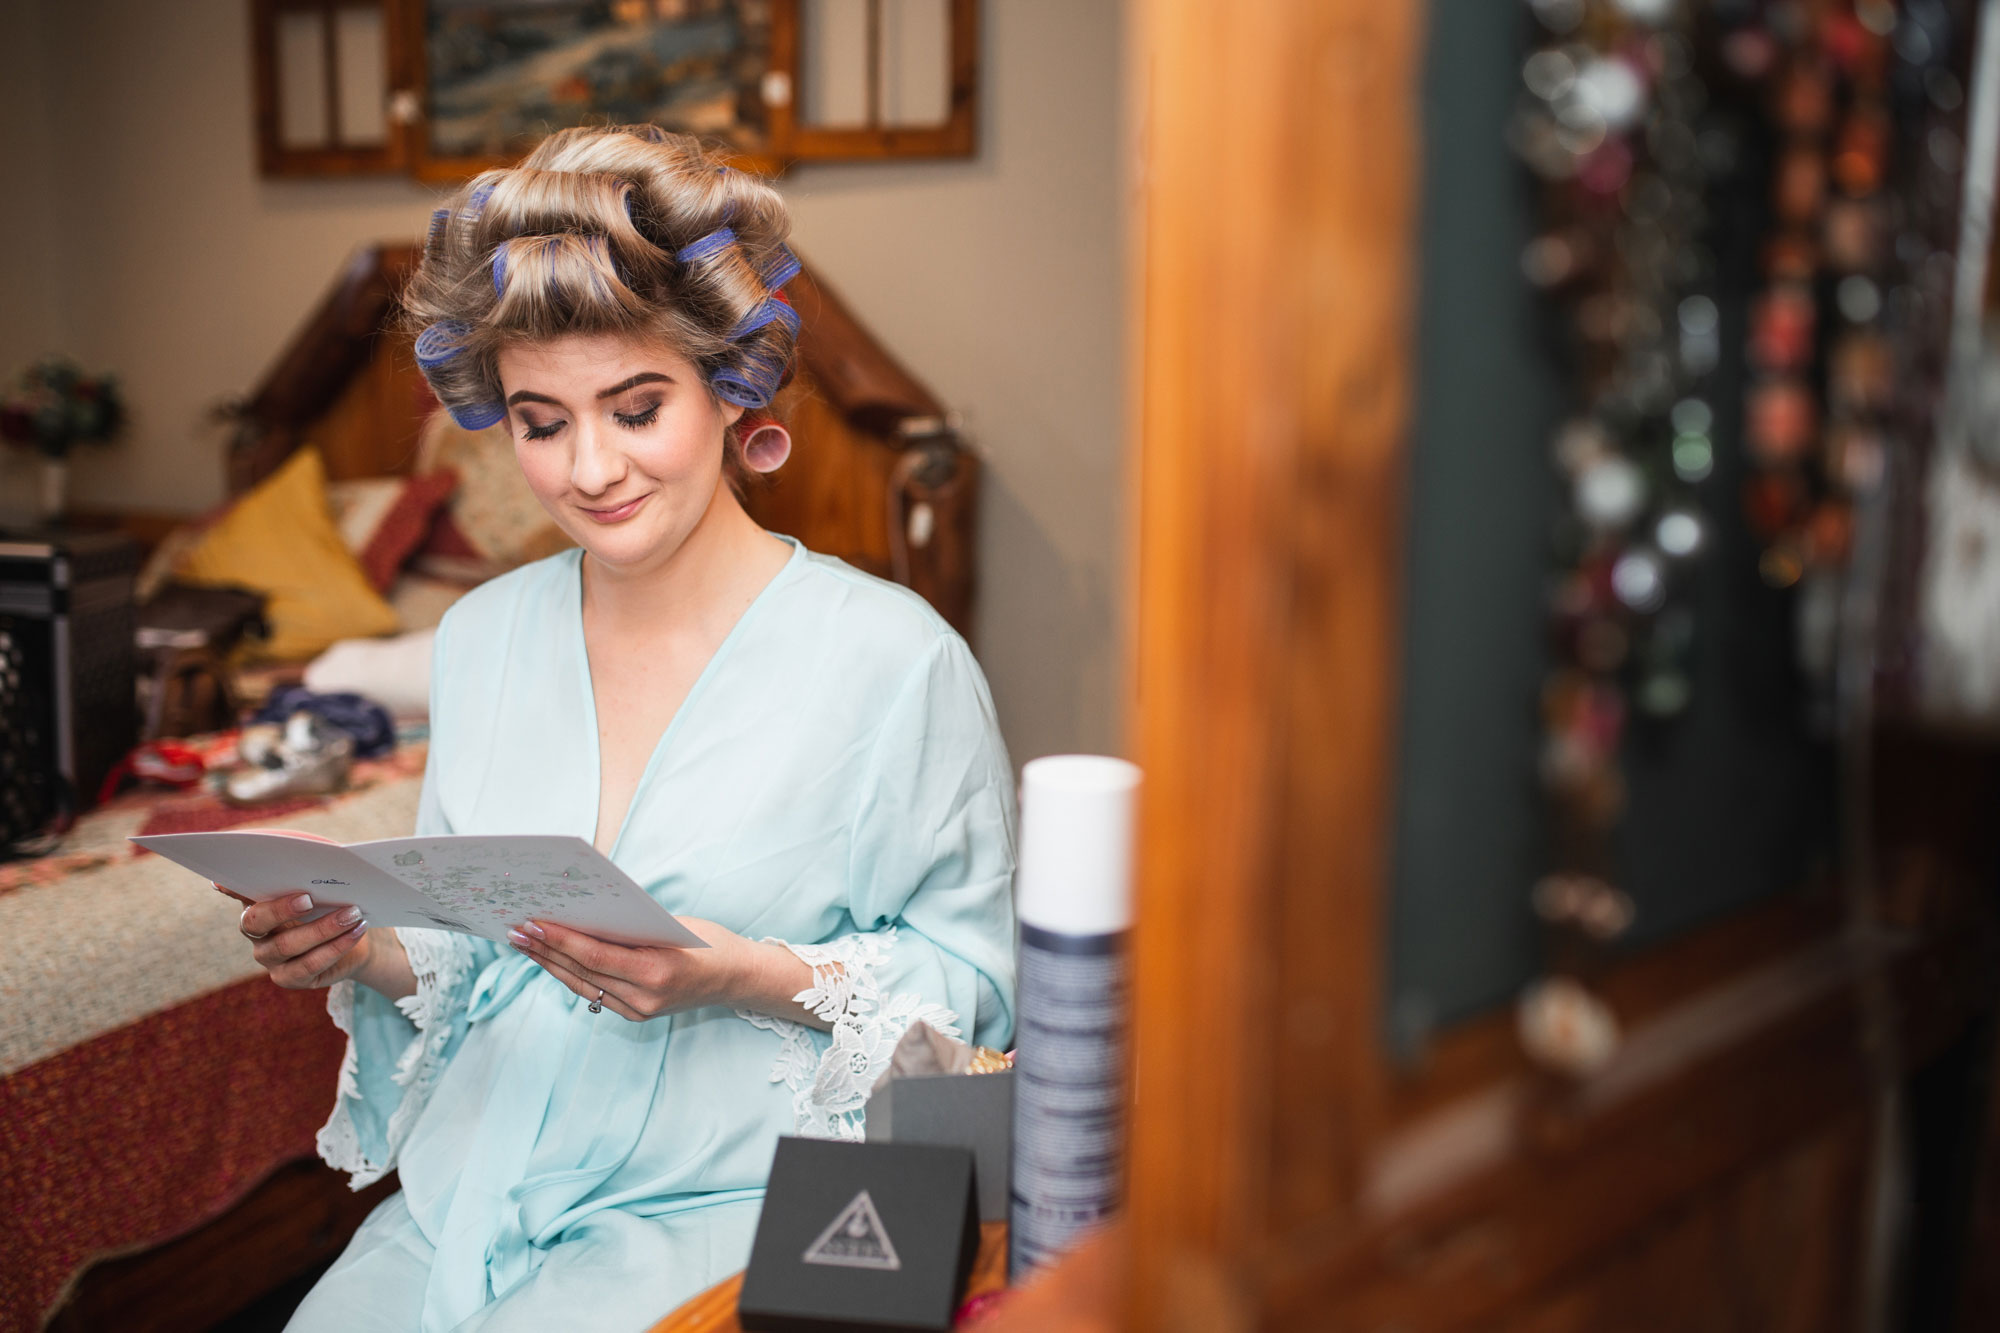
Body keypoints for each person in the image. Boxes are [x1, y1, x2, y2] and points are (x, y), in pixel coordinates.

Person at [228, 126, 1018, 1332]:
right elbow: (471, 943)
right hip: (467, 1198)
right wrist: (362, 951)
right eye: (542, 422)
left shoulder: (893, 661)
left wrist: (732, 971)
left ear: (729, 388)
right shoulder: (480, 638)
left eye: (634, 407)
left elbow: (979, 996)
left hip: (734, 1211)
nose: (589, 468)